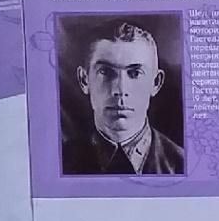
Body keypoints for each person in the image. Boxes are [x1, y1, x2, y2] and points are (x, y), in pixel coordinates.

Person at [62, 19, 186, 174]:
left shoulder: (182, 165)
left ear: (155, 83)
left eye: (135, 73)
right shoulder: (60, 163)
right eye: (106, 72)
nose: (120, 89)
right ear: (84, 80)